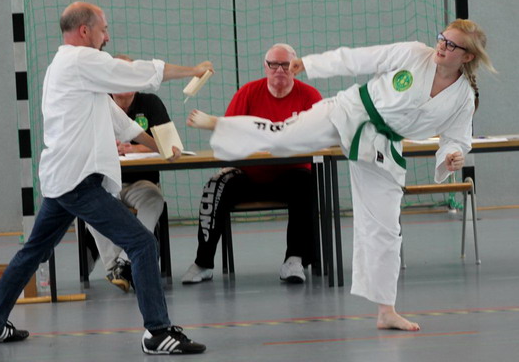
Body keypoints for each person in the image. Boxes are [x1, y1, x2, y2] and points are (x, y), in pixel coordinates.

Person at [187, 19, 495, 331]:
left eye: (451, 44)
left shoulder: (463, 98)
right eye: (442, 38)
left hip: (383, 145)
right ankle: (223, 124)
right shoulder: (414, 54)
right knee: (283, 137)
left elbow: (456, 139)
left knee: (387, 229)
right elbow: (361, 57)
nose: (442, 46)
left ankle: (386, 311)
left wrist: (451, 155)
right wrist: (309, 63)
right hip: (350, 112)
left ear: (467, 56)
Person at [0, 2, 212, 355]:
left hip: (63, 180)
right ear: (84, 30)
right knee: (142, 244)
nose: (108, 36)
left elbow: (118, 121)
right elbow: (135, 72)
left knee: (33, 252)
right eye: (103, 29)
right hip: (77, 182)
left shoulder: (73, 70)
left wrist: (160, 146)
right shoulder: (79, 61)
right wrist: (193, 69)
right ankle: (157, 332)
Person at [181, 43, 323, 284]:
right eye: (273, 65)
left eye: (285, 64)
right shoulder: (248, 92)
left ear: (295, 67)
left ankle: (294, 260)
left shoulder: (310, 96)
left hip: (291, 175)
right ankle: (203, 262)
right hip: (249, 175)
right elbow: (229, 133)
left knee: (306, 182)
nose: (279, 70)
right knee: (215, 185)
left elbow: (320, 137)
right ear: (265, 67)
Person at [86, 54, 171, 293]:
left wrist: (132, 147)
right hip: (105, 182)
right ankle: (115, 266)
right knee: (88, 205)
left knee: (154, 199)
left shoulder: (151, 104)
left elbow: (167, 144)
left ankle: (126, 261)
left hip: (140, 183)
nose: (123, 90)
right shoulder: (96, 104)